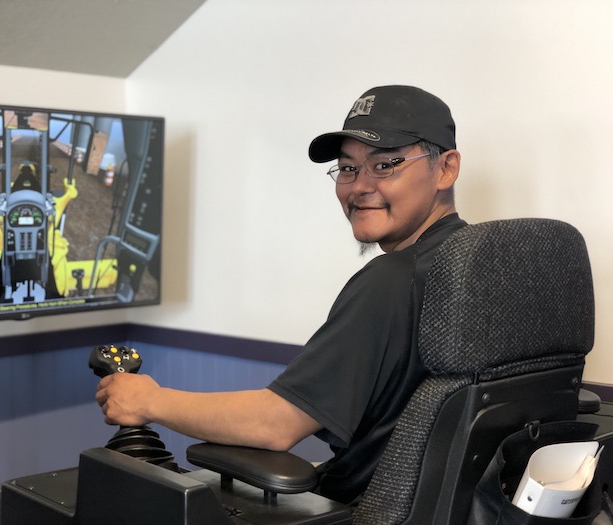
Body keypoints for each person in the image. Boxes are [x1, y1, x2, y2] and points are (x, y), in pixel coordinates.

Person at [96, 85, 466, 505]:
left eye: (384, 165)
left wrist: (149, 400)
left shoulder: (394, 281)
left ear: (445, 169)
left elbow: (276, 425)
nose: (359, 187)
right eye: (347, 169)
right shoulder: (477, 267)